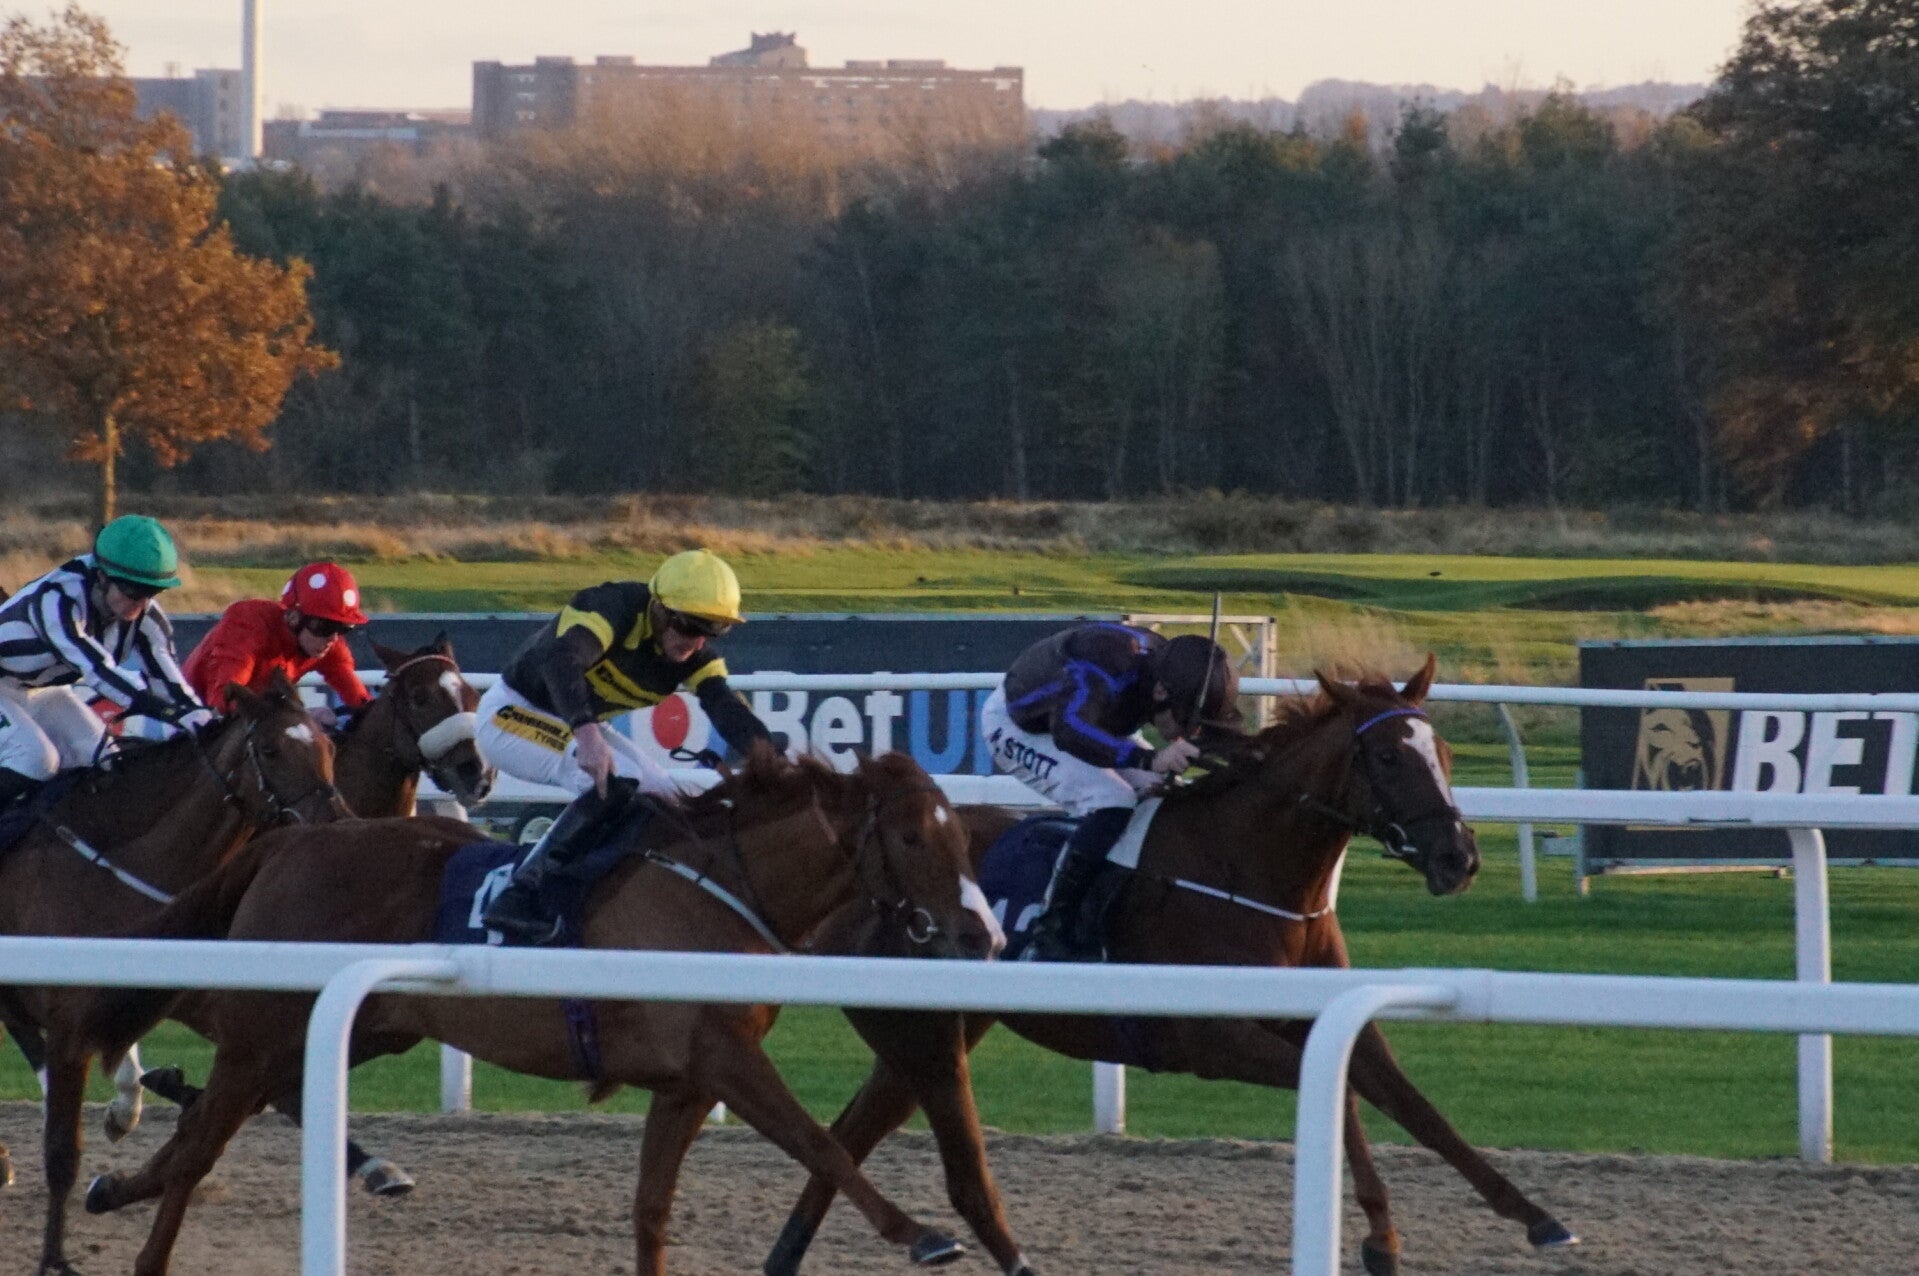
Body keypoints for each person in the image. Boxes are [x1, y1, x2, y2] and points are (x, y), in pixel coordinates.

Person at [478, 549, 773, 943]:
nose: (696, 641)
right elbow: (559, 661)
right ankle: (521, 894)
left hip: (571, 723)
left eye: (713, 630)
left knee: (666, 798)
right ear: (660, 608)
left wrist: (776, 764)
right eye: (689, 625)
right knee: (615, 782)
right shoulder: (611, 607)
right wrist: (587, 734)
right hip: (512, 713)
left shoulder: (694, 652)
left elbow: (726, 708)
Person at [980, 625, 1242, 961]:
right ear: (1160, 691)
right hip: (1023, 726)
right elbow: (1070, 730)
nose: (1190, 733)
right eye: (1188, 721)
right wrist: (1149, 758)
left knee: (1161, 794)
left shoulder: (1170, 670)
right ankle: (1051, 928)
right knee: (1112, 801)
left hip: (1093, 719)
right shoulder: (1103, 662)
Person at [0, 516, 211, 806]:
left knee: (105, 760)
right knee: (34, 759)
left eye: (151, 592)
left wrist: (203, 718)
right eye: (132, 592)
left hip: (37, 691)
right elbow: (98, 670)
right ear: (101, 577)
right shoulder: (58, 598)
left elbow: (168, 681)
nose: (141, 604)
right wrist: (168, 712)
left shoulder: (145, 616)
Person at [183, 561, 372, 727]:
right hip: (191, 719)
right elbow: (225, 703)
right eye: (325, 626)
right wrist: (301, 718)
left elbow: (362, 703)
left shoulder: (329, 643)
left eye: (344, 628)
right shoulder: (248, 624)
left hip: (251, 723)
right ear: (293, 617)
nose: (333, 639)